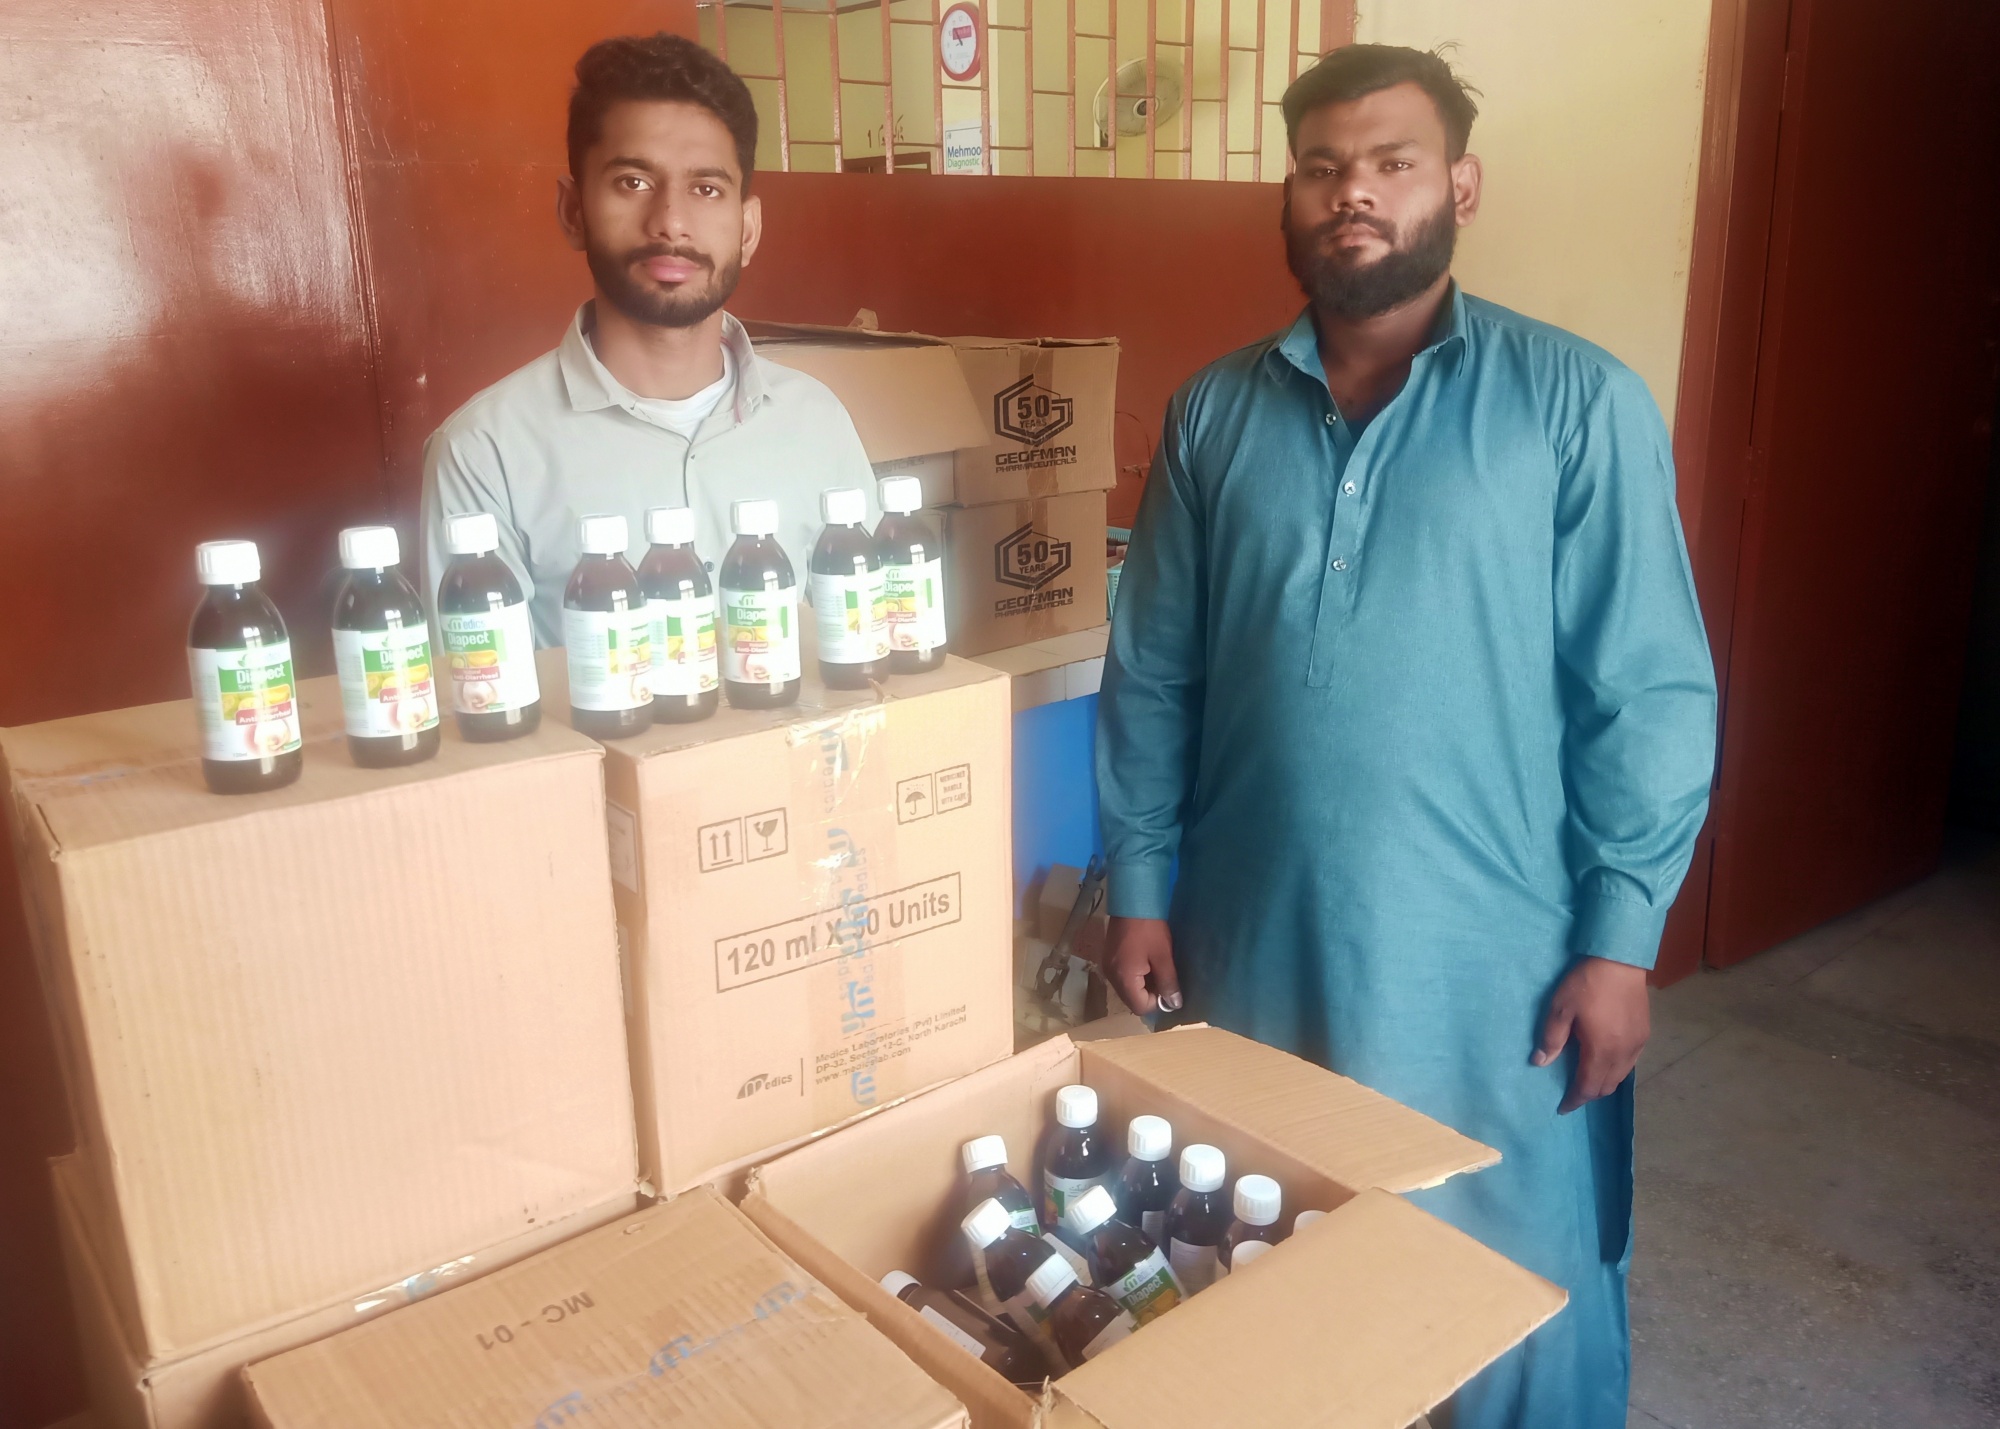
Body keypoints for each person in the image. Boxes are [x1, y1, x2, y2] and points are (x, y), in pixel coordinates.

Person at [1096, 44, 1716, 1429]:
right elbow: (1155, 670)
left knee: (1510, 1289)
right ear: (1289, 194)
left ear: (1461, 188)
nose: (1353, 194)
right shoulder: (1213, 413)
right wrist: (1138, 882)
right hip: (1252, 941)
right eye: (1321, 167)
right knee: (1271, 1251)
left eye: (1392, 163)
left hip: (1492, 971)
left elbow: (1648, 690)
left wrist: (1620, 937)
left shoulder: (1574, 404)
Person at [419, 33, 876, 643]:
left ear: (747, 229)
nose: (671, 223)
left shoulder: (817, 421)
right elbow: (483, 692)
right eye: (633, 182)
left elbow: (872, 641)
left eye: (706, 189)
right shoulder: (484, 452)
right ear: (574, 211)